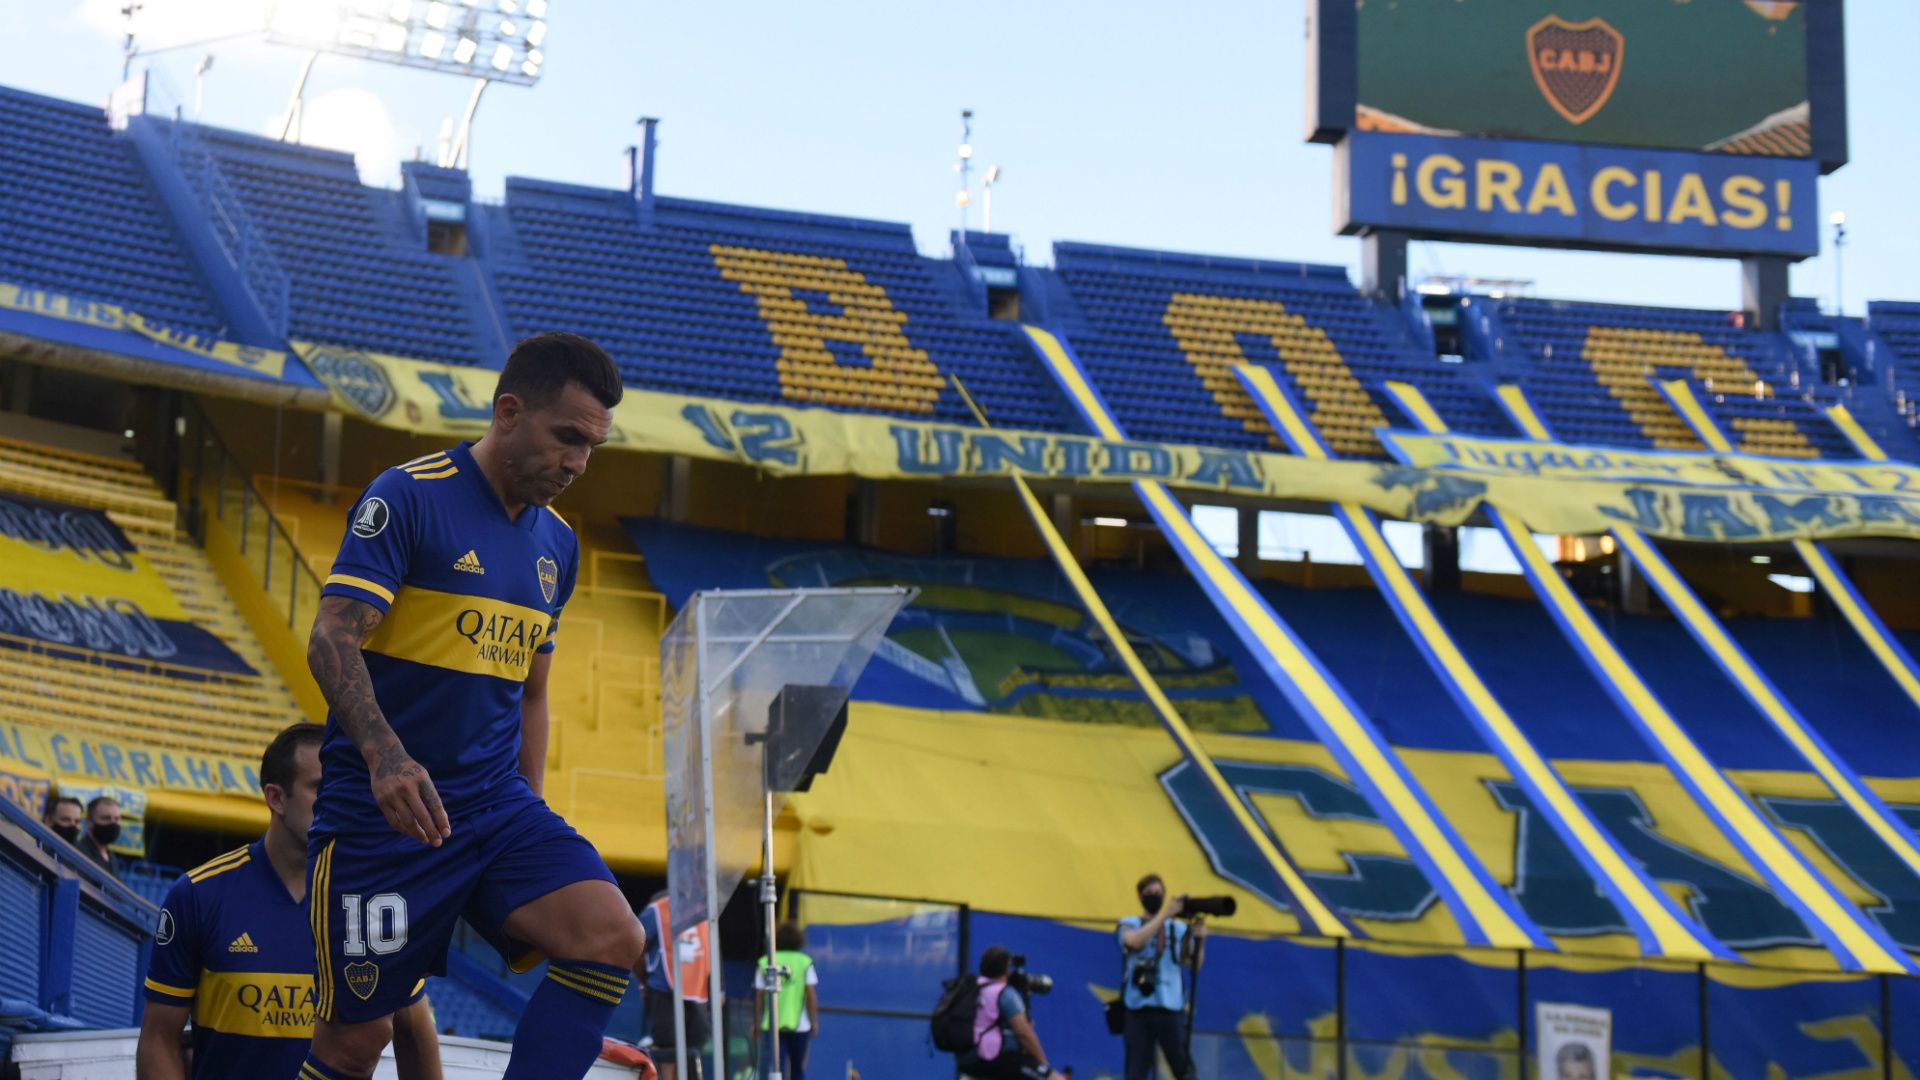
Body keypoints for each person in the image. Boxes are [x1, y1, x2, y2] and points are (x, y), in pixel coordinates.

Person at [300, 332, 645, 1080]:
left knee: (611, 936)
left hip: (493, 809)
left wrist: (531, 809)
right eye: (568, 439)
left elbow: (534, 691)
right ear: (509, 411)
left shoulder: (558, 544)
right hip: (381, 820)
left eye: (592, 448)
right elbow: (331, 637)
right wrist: (385, 757)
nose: (579, 463)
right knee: (355, 1046)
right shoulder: (409, 495)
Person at [137, 722, 442, 1079]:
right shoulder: (198, 895)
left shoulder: (373, 903)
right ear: (276, 798)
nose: (339, 801)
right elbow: (159, 1039)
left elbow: (417, 1034)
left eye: (348, 787)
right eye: (321, 788)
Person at [1116, 874, 1204, 1080]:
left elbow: (1193, 964)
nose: (1156, 896)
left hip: (1171, 1009)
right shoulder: (1129, 923)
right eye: (1150, 893)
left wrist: (1200, 940)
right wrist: (1166, 913)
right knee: (1135, 1072)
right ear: (1140, 896)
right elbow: (1133, 942)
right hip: (1138, 1009)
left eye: (1159, 893)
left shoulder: (1178, 929)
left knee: (1184, 1070)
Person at [955, 947, 1064, 1080]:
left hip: (967, 1060)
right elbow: (1024, 1033)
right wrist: (1044, 1064)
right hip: (996, 1059)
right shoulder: (1004, 993)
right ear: (1007, 969)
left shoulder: (972, 989)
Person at [637, 891, 712, 1080]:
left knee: (692, 1048)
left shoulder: (705, 912)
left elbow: (713, 951)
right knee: (667, 1047)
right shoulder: (656, 910)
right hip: (664, 988)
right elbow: (636, 944)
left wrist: (718, 989)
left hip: (696, 990)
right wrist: (644, 981)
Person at [753, 922, 818, 1080]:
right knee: (797, 1069)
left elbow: (759, 997)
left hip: (772, 1025)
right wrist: (814, 1021)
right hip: (800, 1025)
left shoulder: (765, 961)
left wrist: (756, 1022)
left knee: (775, 1069)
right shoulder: (805, 962)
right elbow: (810, 995)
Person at [79, 794, 124, 877]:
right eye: (106, 818)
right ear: (89, 822)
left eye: (117, 819)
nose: (113, 823)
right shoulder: (79, 853)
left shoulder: (112, 858)